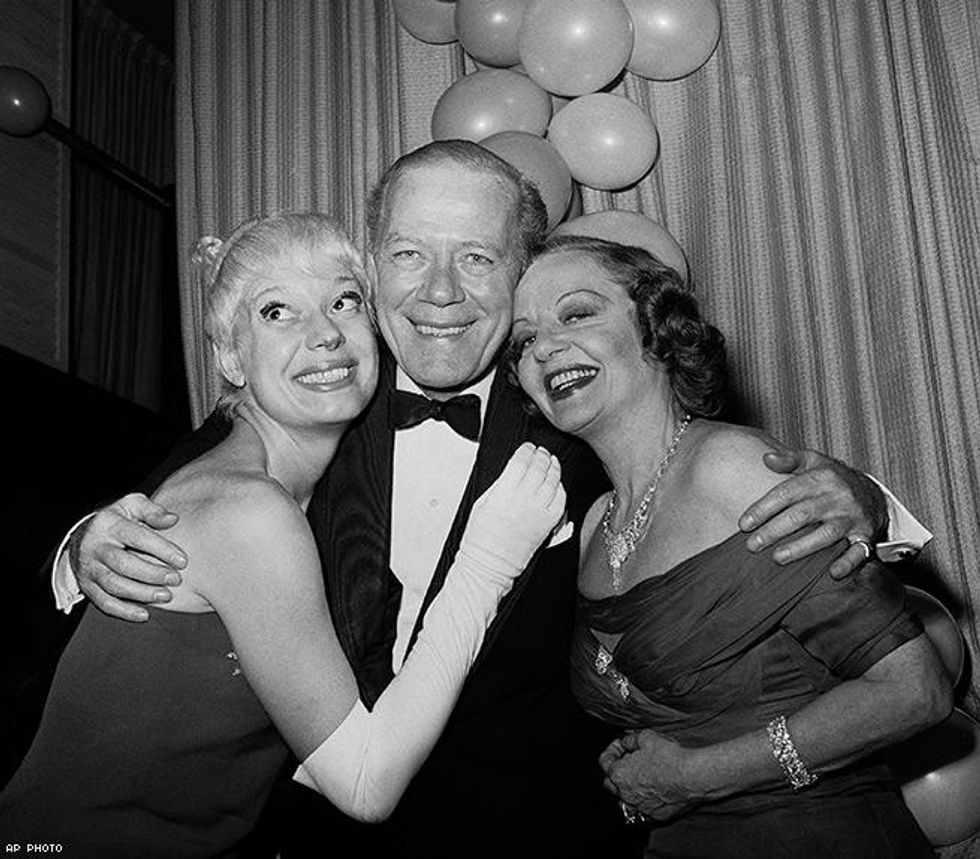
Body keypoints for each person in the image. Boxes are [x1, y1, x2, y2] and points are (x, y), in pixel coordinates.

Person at [48, 141, 927, 858]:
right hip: (310, 836)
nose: (438, 292)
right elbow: (191, 489)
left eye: (475, 257)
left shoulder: (572, 406)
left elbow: (691, 465)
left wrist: (866, 502)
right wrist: (83, 545)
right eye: (408, 254)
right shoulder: (322, 386)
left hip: (530, 836)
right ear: (371, 258)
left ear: (521, 271)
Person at [1, 213, 568, 857]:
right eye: (277, 312)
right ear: (229, 358)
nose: (324, 333)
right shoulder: (251, 512)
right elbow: (364, 784)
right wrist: (489, 560)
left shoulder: (300, 485)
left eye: (343, 301)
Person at [509, 234, 951, 857]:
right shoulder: (593, 523)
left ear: (655, 329)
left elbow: (915, 691)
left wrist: (696, 777)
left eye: (576, 313)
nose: (545, 346)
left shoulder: (736, 468)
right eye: (524, 340)